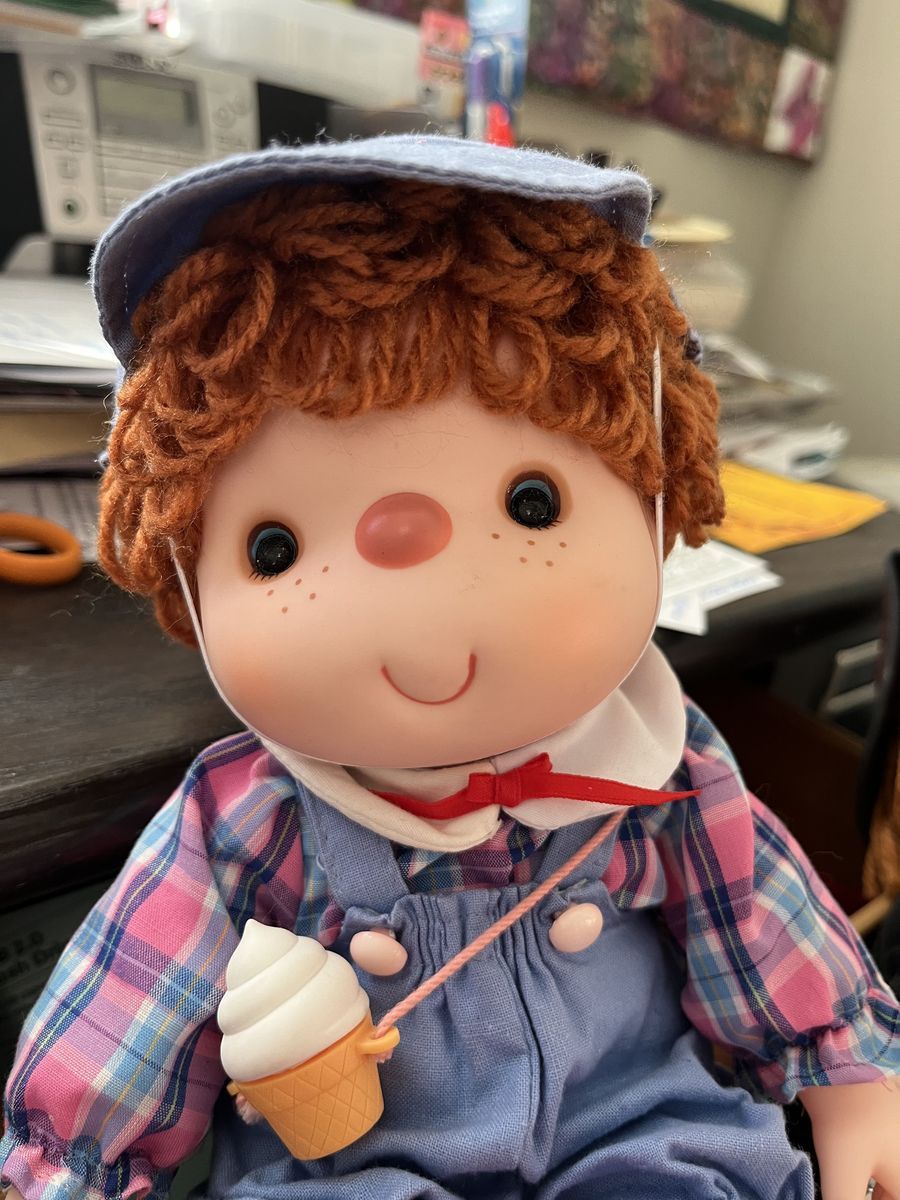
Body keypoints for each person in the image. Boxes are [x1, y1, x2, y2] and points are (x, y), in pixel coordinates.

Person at [2, 137, 899, 1200]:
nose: (418, 596)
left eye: (532, 504)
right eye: (275, 549)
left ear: (661, 490)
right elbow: (124, 1018)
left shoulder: (655, 761)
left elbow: (757, 912)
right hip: (363, 1175)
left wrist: (850, 1074)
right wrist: (66, 1173)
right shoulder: (246, 822)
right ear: (187, 582)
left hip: (646, 1135)